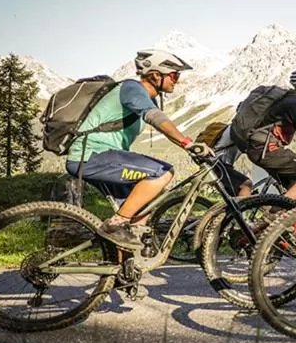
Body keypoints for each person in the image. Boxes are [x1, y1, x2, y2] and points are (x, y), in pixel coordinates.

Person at [66, 49, 214, 252]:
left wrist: (189, 147)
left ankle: (126, 268)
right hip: (91, 155)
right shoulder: (132, 88)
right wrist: (186, 142)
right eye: (174, 75)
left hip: (101, 157)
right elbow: (155, 117)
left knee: (140, 214)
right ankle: (114, 225)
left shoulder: (146, 97)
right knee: (162, 172)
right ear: (155, 75)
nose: (177, 81)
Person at [231, 69, 296, 203]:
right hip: (268, 150)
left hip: (260, 149)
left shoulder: (291, 100)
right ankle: (281, 210)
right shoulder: (295, 104)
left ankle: (277, 214)